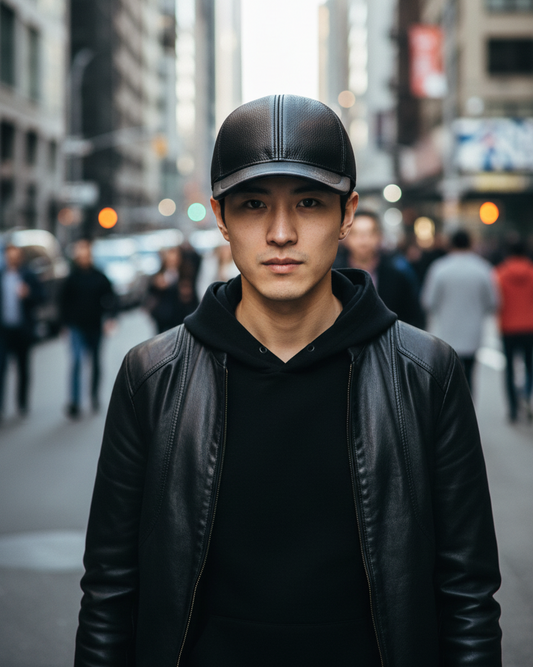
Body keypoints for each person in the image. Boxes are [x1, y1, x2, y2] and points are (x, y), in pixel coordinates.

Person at [75, 95, 501, 667]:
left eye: (308, 202)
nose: (281, 233)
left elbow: (467, 591)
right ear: (220, 216)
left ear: (347, 213)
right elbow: (110, 589)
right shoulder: (152, 376)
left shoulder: (426, 373)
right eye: (253, 204)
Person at [421, 229, 498, 391]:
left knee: (447, 379)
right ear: (470, 244)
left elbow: (428, 301)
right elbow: (492, 302)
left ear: (451, 244)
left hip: (445, 334)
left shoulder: (439, 268)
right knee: (469, 376)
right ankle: (469, 412)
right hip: (473, 333)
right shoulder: (483, 268)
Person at [336, 209, 424, 327]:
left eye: (369, 233)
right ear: (345, 237)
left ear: (379, 236)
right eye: (356, 233)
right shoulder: (334, 276)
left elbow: (414, 318)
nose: (363, 240)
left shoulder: (397, 278)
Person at [60, 239, 116, 418]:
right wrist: (64, 324)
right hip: (76, 326)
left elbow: (111, 298)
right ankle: (75, 402)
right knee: (76, 361)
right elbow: (63, 302)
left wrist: (111, 318)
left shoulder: (99, 275)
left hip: (95, 325)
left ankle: (93, 396)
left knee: (95, 362)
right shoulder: (72, 277)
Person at [0, 243, 43, 419]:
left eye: (15, 255)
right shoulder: (2, 275)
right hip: (4, 331)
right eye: (9, 255)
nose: (12, 258)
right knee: (1, 369)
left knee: (23, 368)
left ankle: (22, 404)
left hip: (22, 330)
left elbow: (42, 296)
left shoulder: (28, 275)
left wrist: (29, 294)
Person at [494, 238, 533, 422]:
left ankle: (512, 409)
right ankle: (527, 396)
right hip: (530, 327)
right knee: (530, 366)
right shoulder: (532, 273)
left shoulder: (499, 274)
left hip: (507, 327)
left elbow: (495, 302)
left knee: (509, 368)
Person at [145, 246, 199, 334]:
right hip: (163, 317)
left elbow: (193, 297)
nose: (172, 260)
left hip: (181, 316)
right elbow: (151, 295)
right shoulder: (159, 275)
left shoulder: (186, 273)